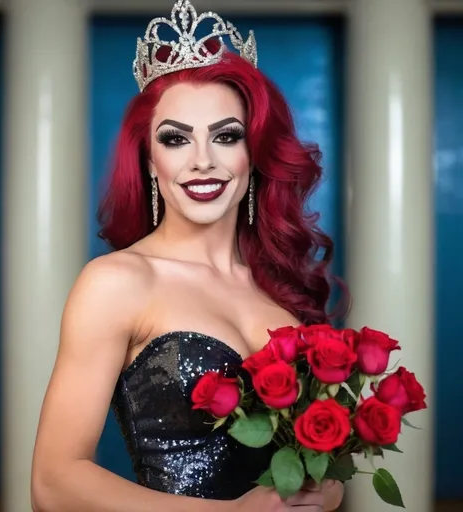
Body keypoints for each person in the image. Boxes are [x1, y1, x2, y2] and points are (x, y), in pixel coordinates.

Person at [31, 1, 346, 510]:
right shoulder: (117, 282)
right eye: (175, 139)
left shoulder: (277, 288)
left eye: (226, 136)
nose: (203, 159)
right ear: (150, 161)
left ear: (254, 155)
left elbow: (315, 464)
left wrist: (327, 489)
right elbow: (53, 483)